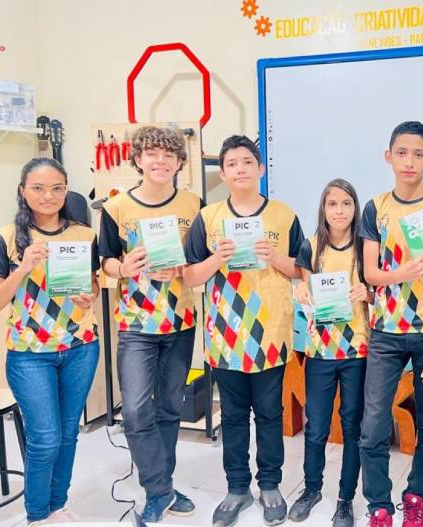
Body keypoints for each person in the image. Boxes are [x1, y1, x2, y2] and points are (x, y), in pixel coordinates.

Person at [183, 134, 304, 527]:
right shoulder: (208, 218)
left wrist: (278, 258)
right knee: (233, 417)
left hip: (271, 334)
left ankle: (270, 485)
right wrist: (217, 259)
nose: (240, 169)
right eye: (232, 163)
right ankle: (237, 488)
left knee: (269, 415)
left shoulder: (284, 215)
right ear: (223, 172)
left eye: (247, 162)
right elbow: (190, 277)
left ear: (261, 168)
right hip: (226, 336)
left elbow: (302, 270)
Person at [0, 158, 100, 525]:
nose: (48, 196)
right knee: (45, 438)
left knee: (67, 435)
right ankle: (37, 515)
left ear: (66, 191)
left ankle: (57, 507)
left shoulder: (83, 235)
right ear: (23, 191)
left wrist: (90, 296)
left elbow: (93, 284)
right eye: (38, 188)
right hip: (29, 354)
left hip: (80, 347)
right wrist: (22, 269)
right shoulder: (4, 238)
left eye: (57, 188)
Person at [359, 121, 423, 527]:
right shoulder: (376, 207)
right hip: (385, 332)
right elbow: (370, 273)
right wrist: (402, 273)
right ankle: (379, 505)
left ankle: (416, 496)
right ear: (388, 157)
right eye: (401, 153)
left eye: (418, 154)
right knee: (373, 426)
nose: (409, 161)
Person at [98, 126, 202, 522]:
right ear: (138, 159)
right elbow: (106, 260)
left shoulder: (193, 204)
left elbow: (201, 257)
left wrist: (184, 266)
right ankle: (159, 489)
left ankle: (161, 487)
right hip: (136, 322)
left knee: (170, 408)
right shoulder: (116, 208)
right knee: (137, 410)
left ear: (179, 163)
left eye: (168, 155)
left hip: (180, 320)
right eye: (152, 154)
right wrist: (123, 267)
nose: (160, 161)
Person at [288, 179, 371, 527]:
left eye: (346, 203)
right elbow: (305, 286)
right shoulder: (311, 246)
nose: (339, 210)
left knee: (352, 427)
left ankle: (345, 498)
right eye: (332, 204)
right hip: (320, 350)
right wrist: (300, 291)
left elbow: (379, 292)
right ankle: (311, 489)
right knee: (316, 426)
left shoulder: (366, 247)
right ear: (323, 208)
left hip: (357, 351)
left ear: (355, 208)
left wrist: (368, 293)